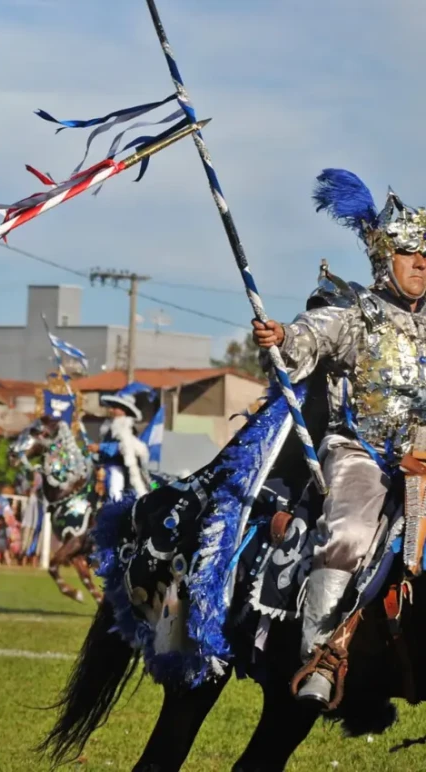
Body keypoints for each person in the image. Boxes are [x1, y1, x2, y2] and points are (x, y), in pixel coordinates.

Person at [252, 168, 426, 704]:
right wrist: (281, 335)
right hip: (363, 455)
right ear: (383, 258)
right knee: (349, 531)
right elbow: (307, 339)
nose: (423, 262)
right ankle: (325, 651)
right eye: (410, 252)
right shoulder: (358, 316)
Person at [91, 388, 150, 501]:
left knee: (115, 493)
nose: (112, 410)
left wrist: (100, 447)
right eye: (112, 407)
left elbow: (122, 447)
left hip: (117, 468)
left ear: (124, 410)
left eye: (116, 407)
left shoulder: (127, 428)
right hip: (103, 467)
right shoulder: (109, 426)